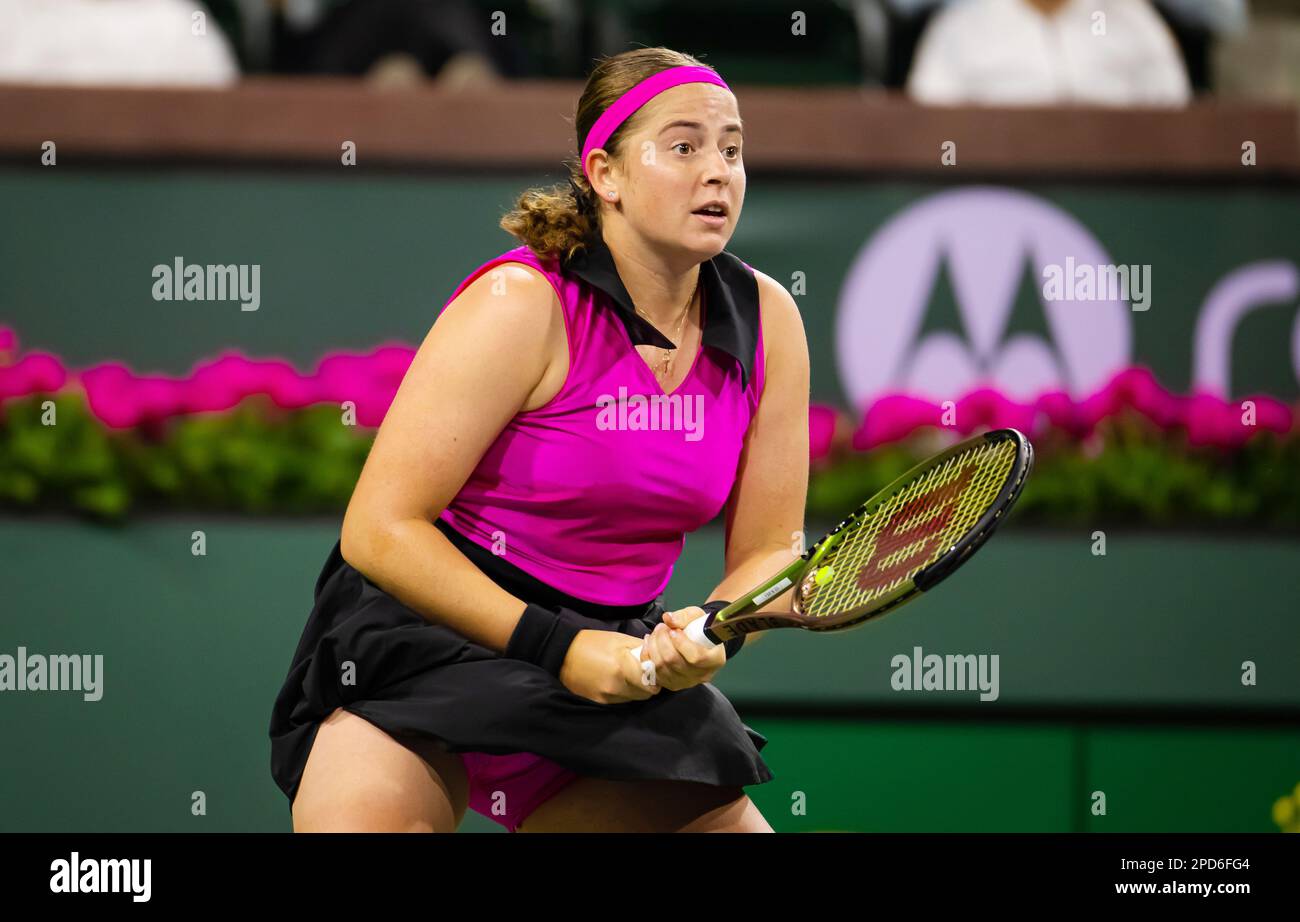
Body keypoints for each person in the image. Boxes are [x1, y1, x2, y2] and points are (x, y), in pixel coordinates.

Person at [268, 46, 811, 833]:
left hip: (617, 659)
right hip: (433, 633)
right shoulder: (518, 304)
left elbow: (772, 547)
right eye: (684, 146)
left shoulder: (770, 321)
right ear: (606, 174)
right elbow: (379, 530)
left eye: (732, 148)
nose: (718, 171)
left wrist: (712, 628)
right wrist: (556, 647)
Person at [906, 0, 1192, 106]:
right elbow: (931, 129)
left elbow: (1175, 114)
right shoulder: (964, 24)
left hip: (1123, 194)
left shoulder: (1132, 18)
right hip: (997, 191)